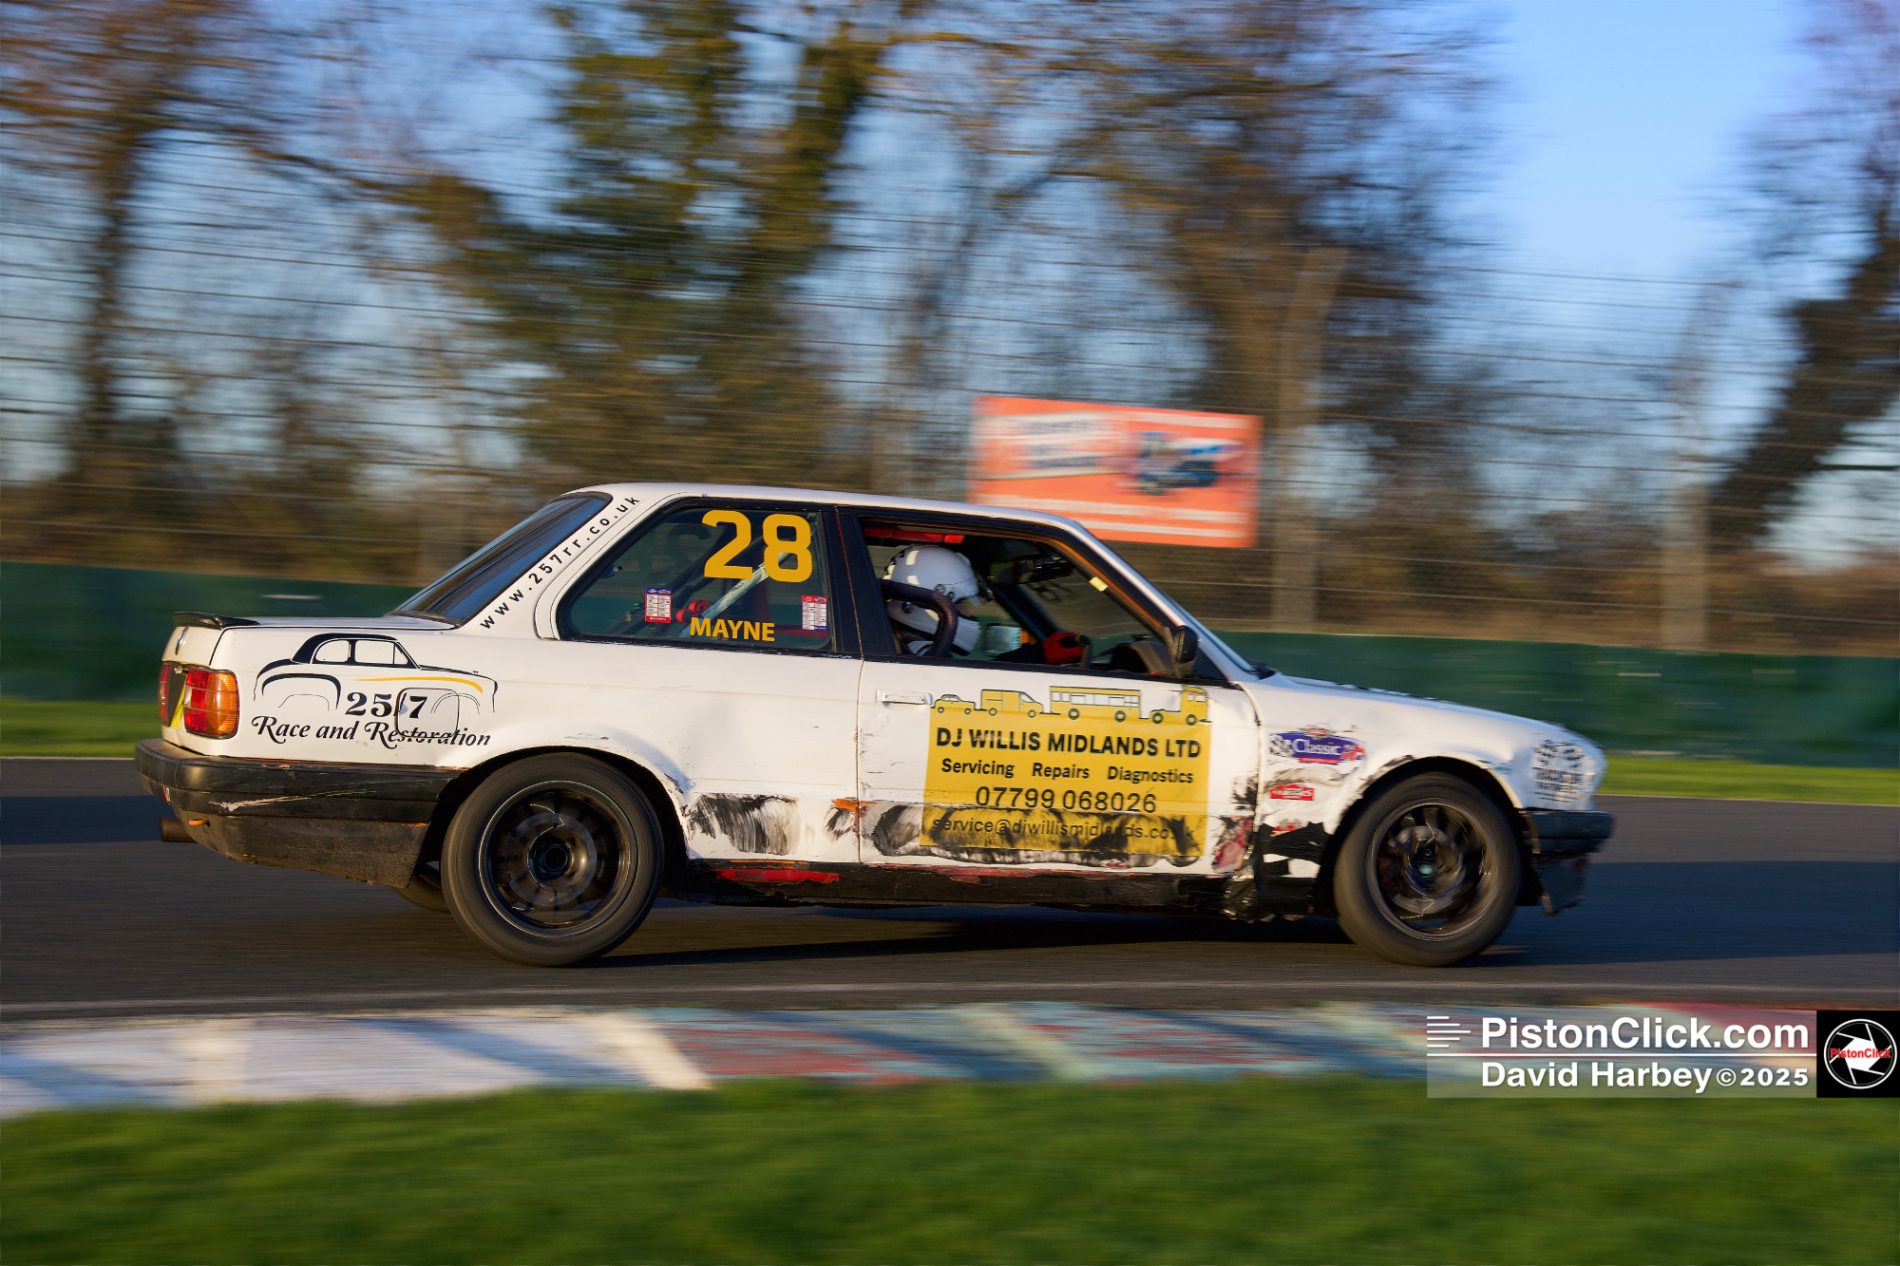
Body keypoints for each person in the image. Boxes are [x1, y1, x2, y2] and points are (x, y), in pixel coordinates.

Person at [883, 545, 1089, 665]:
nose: (968, 613)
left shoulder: (904, 646)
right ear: (919, 605)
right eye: (961, 603)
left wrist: (1038, 655)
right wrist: (1039, 656)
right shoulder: (919, 656)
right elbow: (969, 693)